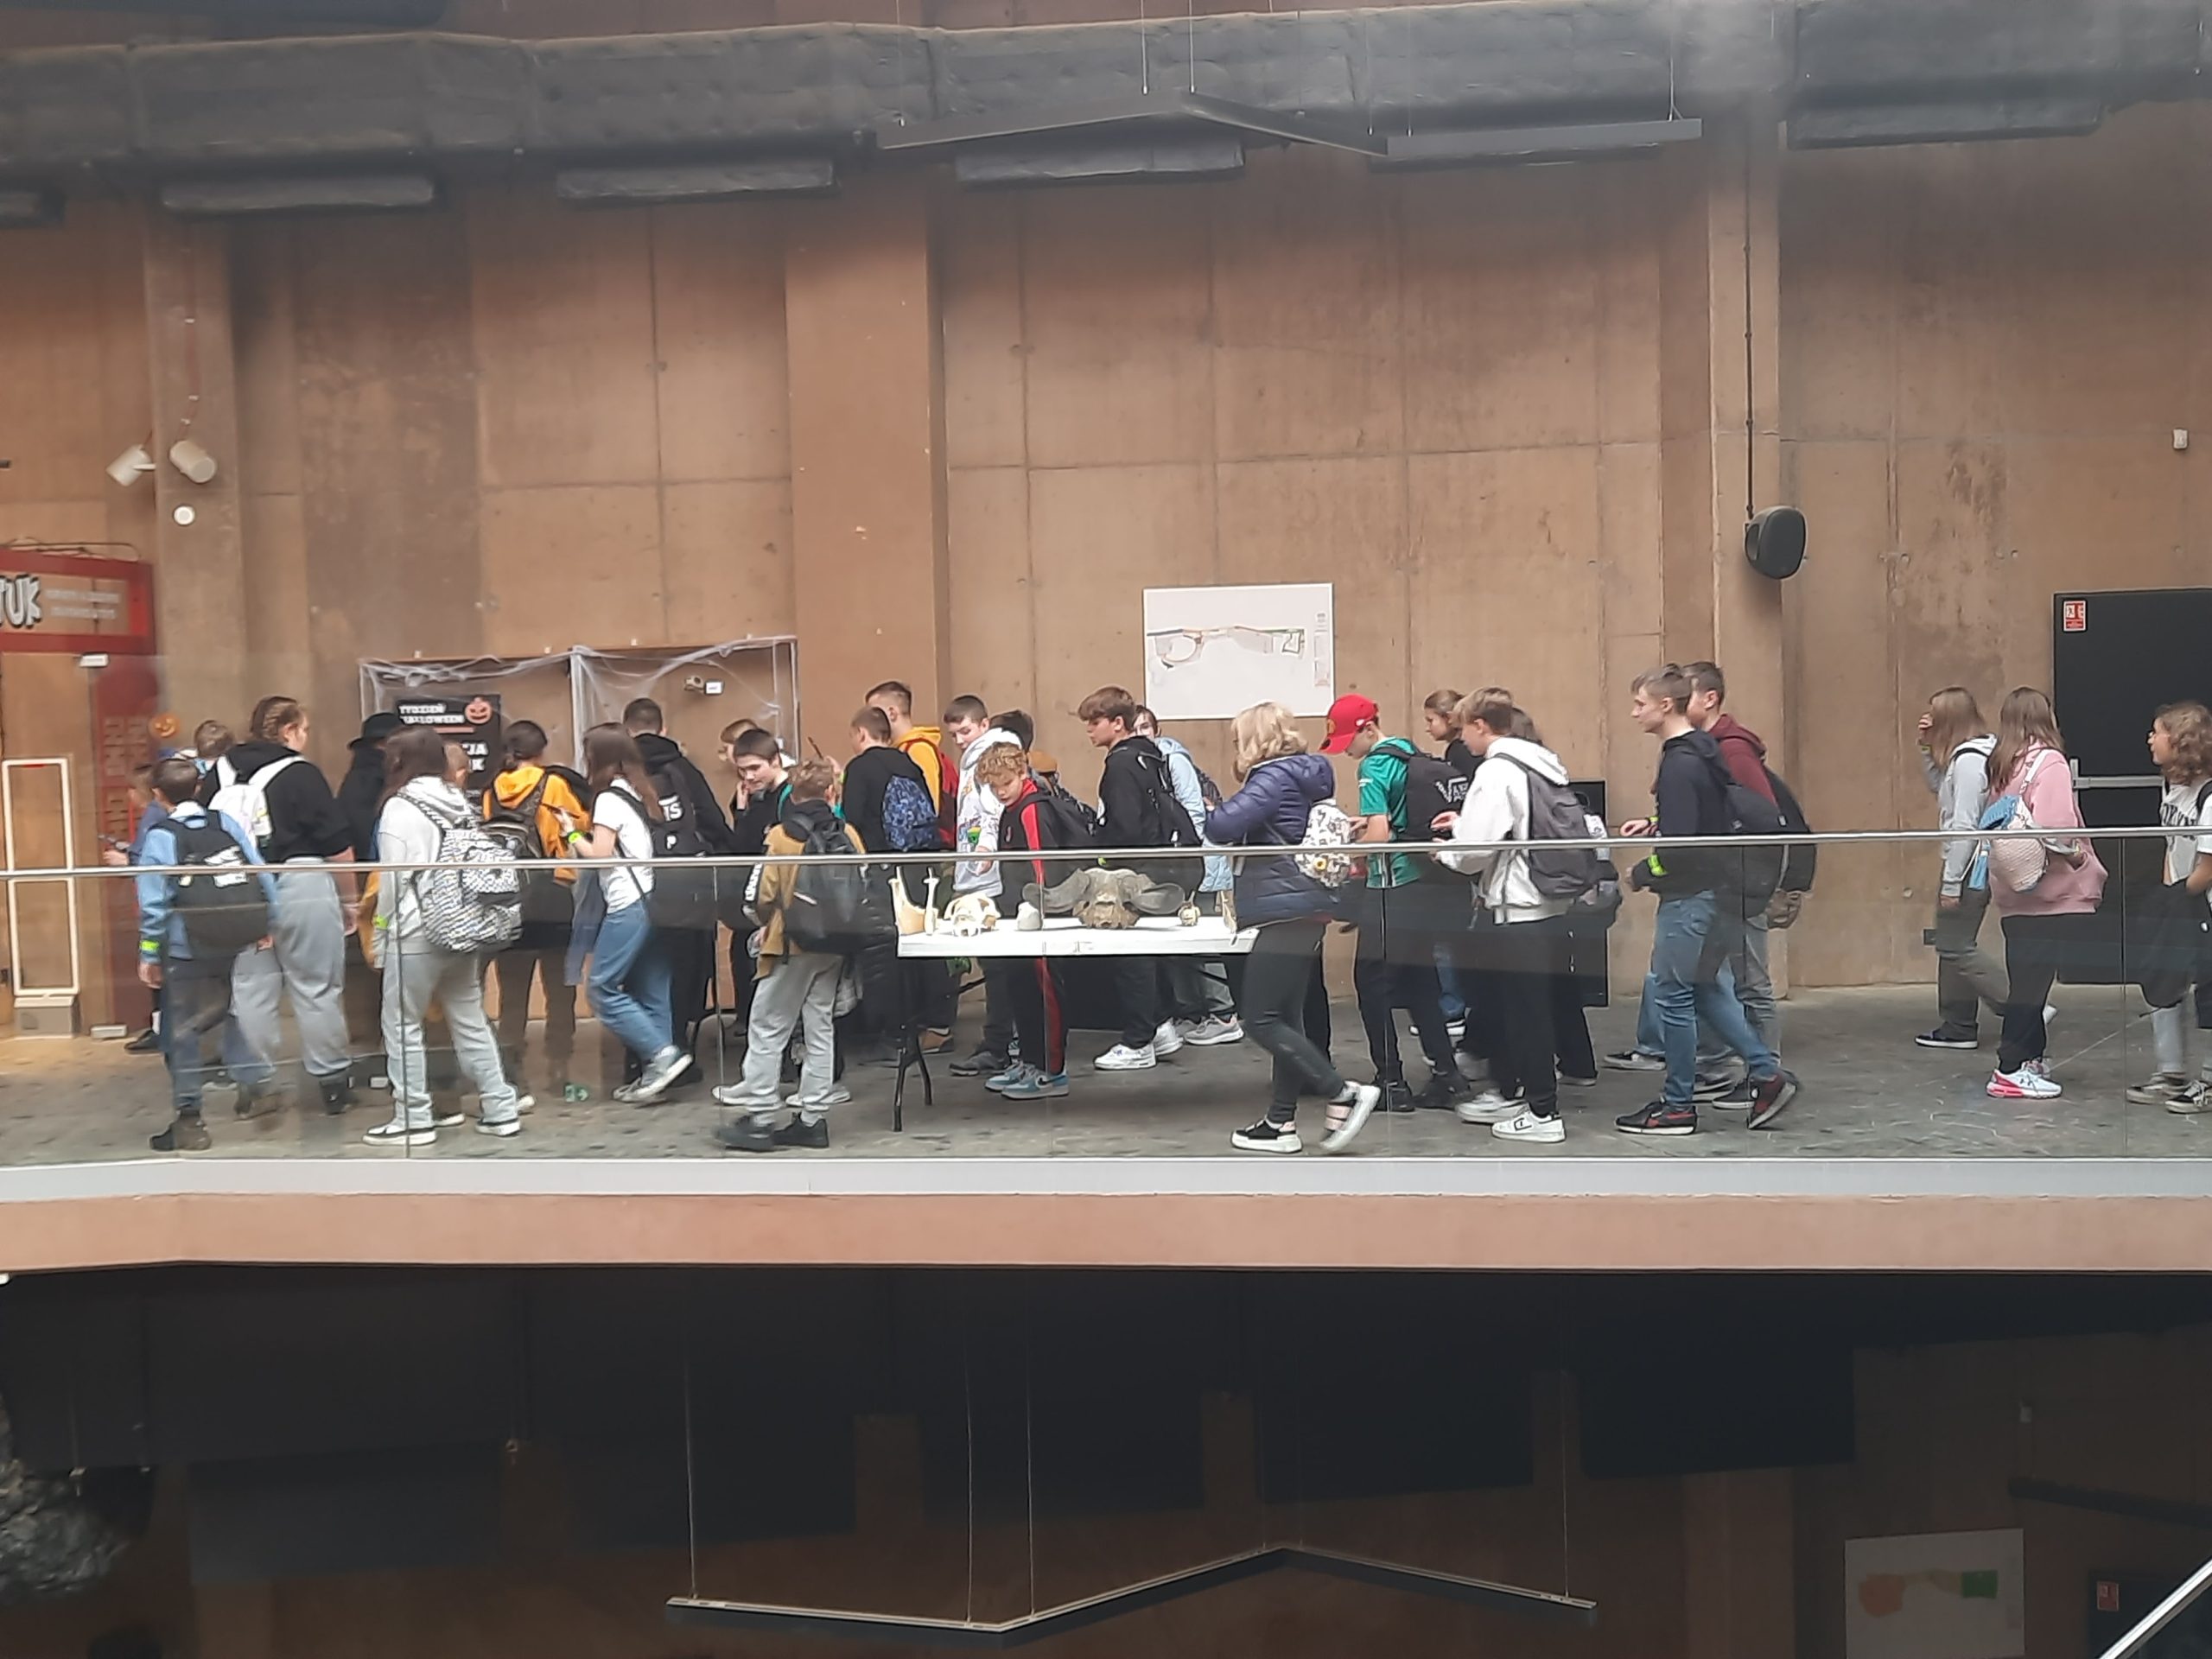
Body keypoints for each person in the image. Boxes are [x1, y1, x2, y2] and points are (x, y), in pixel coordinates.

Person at [1615, 666, 1798, 1135]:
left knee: (1673, 994)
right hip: (1717, 891)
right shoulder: (1705, 752)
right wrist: (1659, 828)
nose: (1634, 713)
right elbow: (1699, 824)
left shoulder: (1680, 763)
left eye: (1640, 704)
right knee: (1702, 988)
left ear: (1665, 706)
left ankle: (1678, 1104)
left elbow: (1682, 849)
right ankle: (1766, 1073)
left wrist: (1643, 872)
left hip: (1690, 898)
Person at [1203, 701, 1380, 1155]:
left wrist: (1209, 807)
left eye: (1239, 739)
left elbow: (1222, 827)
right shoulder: (1306, 774)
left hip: (1283, 905)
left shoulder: (1271, 777)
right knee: (1285, 1018)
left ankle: (1341, 1091)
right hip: (1305, 904)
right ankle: (1280, 1122)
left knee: (1259, 1018)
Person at [365, 728, 524, 1147]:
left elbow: (393, 880)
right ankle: (500, 1107)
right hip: (461, 925)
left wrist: (380, 930)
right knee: (470, 1018)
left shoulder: (401, 806)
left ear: (400, 761)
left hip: (414, 930)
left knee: (402, 1024)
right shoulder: (457, 800)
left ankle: (413, 1116)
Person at [1432, 692, 1577, 1146]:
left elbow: (1476, 850)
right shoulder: (1541, 763)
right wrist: (1464, 823)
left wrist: (1447, 853)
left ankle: (1541, 1111)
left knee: (1523, 1013)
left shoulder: (1496, 770)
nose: (1462, 738)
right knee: (1532, 1008)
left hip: (1519, 905)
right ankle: (1526, 1098)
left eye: (1464, 727)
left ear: (1480, 725)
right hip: (1549, 902)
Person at [207, 696, 360, 1115]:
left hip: (240, 889)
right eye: (304, 729)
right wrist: (349, 901)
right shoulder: (301, 773)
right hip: (301, 882)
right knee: (317, 986)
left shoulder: (219, 773)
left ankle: (255, 1085)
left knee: (250, 990)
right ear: (289, 730)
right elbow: (337, 846)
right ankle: (331, 1083)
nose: (305, 737)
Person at [1323, 692, 1470, 1110]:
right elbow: (1399, 818)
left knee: (1371, 984)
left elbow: (1381, 835)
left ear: (1368, 729)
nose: (1346, 751)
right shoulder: (1408, 752)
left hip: (1390, 888)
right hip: (1424, 885)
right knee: (1421, 983)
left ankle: (1390, 1080)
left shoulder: (1372, 767)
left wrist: (1347, 854)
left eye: (1349, 740)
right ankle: (1447, 1074)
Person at [713, 760, 860, 1151]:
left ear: (793, 796)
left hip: (790, 943)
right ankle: (812, 1119)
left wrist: (765, 924)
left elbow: (761, 895)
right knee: (820, 1028)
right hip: (836, 944)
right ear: (831, 793)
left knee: (767, 1026)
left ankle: (760, 1117)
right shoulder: (848, 833)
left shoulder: (782, 835)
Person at [136, 757, 279, 1153]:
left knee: (179, 1031)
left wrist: (149, 953)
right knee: (217, 1010)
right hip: (231, 937)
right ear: (198, 788)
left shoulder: (161, 836)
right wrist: (267, 922)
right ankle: (256, 1080)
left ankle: (190, 1119)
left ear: (158, 795)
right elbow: (259, 870)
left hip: (187, 945)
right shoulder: (223, 823)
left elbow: (154, 904)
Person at [1984, 687, 2107, 1101]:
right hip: (2050, 893)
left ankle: (2030, 1058)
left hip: (2013, 890)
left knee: (2026, 978)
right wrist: (2079, 858)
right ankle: (2011, 1067)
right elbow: (2058, 828)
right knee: (2033, 985)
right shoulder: (2049, 762)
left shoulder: (2002, 765)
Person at [563, 723, 691, 1104]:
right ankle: (658, 1074)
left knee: (601, 988)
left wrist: (571, 833)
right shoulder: (640, 790)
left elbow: (601, 856)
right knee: (653, 990)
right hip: (654, 901)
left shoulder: (607, 799)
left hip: (627, 904)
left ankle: (662, 1056)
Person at [1081, 684, 1197, 1071]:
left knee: (1131, 955)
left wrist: (1102, 849)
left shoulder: (1120, 764)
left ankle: (1138, 1040)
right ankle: (1160, 1026)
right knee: (1149, 951)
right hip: (1159, 863)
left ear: (1118, 723)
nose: (1089, 729)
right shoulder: (1151, 755)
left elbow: (1126, 825)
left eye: (1095, 721)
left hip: (1132, 868)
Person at [623, 697, 733, 1073]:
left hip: (637, 890)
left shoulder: (621, 773)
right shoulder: (683, 769)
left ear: (627, 730)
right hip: (688, 890)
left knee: (641, 972)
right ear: (663, 728)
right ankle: (680, 1051)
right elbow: (714, 825)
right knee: (686, 969)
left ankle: (641, 1056)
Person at [485, 720, 588, 1101]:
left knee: (512, 994)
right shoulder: (554, 785)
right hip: (554, 897)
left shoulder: (493, 789)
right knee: (560, 992)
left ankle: (512, 1073)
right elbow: (577, 828)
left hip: (509, 900)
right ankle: (559, 1071)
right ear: (541, 751)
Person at [1132, 705, 1242, 1046]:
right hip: (1177, 865)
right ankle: (1193, 1013)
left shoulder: (1172, 760)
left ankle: (1223, 1015)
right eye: (1135, 729)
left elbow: (1194, 811)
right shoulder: (1142, 763)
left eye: (1145, 727)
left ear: (1156, 730)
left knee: (1204, 940)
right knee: (1179, 944)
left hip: (1198, 864)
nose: (1140, 734)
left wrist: (1186, 859)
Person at [976, 743, 1072, 1101]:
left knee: (1045, 994)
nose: (1001, 792)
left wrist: (1040, 912)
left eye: (1006, 783)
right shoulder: (1011, 809)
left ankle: (1052, 1070)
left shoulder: (1032, 809)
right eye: (994, 786)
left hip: (1038, 919)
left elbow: (1041, 867)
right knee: (1022, 991)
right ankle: (1031, 1061)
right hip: (1018, 918)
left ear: (1021, 774)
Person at [1916, 688, 2009, 1050]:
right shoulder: (1970, 755)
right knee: (1952, 942)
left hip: (1969, 863)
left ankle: (2019, 1005)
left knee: (1954, 944)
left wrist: (1952, 883)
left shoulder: (1970, 761)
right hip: (1970, 861)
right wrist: (1926, 748)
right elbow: (1939, 787)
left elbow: (1965, 826)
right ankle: (1958, 1025)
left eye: (1933, 714)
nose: (1927, 720)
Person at [2130, 702, 2212, 1109]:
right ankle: (2170, 1071)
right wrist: (2166, 896)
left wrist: (2179, 896)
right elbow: (2172, 844)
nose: (2150, 739)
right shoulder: (2172, 787)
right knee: (2160, 977)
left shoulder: (2210, 796)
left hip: (2202, 904)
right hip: (2178, 896)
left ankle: (2210, 1080)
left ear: (2180, 741)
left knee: (2208, 991)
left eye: (2157, 732)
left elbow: (2208, 866)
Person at [868, 680, 956, 1050]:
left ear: (891, 713)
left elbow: (925, 809)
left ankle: (938, 1024)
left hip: (920, 860)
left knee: (926, 938)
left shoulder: (918, 752)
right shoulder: (907, 751)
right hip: (914, 861)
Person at [944, 697, 1023, 1074]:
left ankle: (1001, 1042)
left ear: (984, 724)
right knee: (997, 968)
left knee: (1000, 969)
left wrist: (986, 849)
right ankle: (1004, 1041)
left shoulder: (991, 758)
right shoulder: (973, 759)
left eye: (965, 731)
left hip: (990, 879)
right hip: (977, 872)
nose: (960, 739)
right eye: (954, 734)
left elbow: (991, 811)